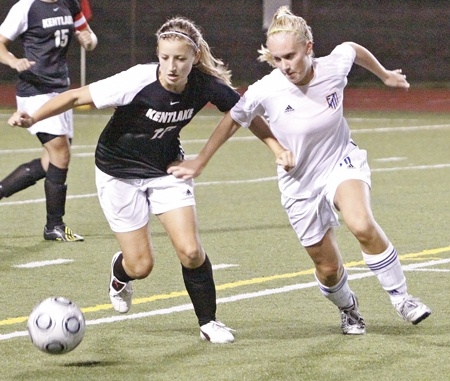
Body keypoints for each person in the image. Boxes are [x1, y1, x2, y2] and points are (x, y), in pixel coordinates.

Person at [166, 6, 432, 335]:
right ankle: (348, 307)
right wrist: (201, 160)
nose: (284, 66)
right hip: (299, 184)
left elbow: (352, 48)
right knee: (329, 269)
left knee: (361, 223)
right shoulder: (267, 88)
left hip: (340, 161)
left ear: (308, 47)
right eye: (276, 59)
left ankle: (401, 298)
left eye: (290, 56)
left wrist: (385, 75)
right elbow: (234, 118)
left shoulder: (333, 68)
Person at [9, 16, 239, 343]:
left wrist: (271, 147)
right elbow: (76, 97)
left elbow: (242, 112)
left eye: (180, 59)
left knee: (190, 251)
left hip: (166, 169)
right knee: (141, 265)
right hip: (117, 172)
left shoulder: (204, 84)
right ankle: (120, 273)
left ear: (195, 57)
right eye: (165, 58)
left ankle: (209, 323)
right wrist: (34, 115)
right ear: (157, 55)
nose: (171, 66)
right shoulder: (137, 80)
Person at [0, 0, 98, 242]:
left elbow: (87, 33)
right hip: (35, 91)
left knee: (51, 161)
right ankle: (54, 225)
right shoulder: (26, 7)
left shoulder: (70, 3)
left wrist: (89, 40)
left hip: (60, 92)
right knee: (61, 154)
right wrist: (13, 61)